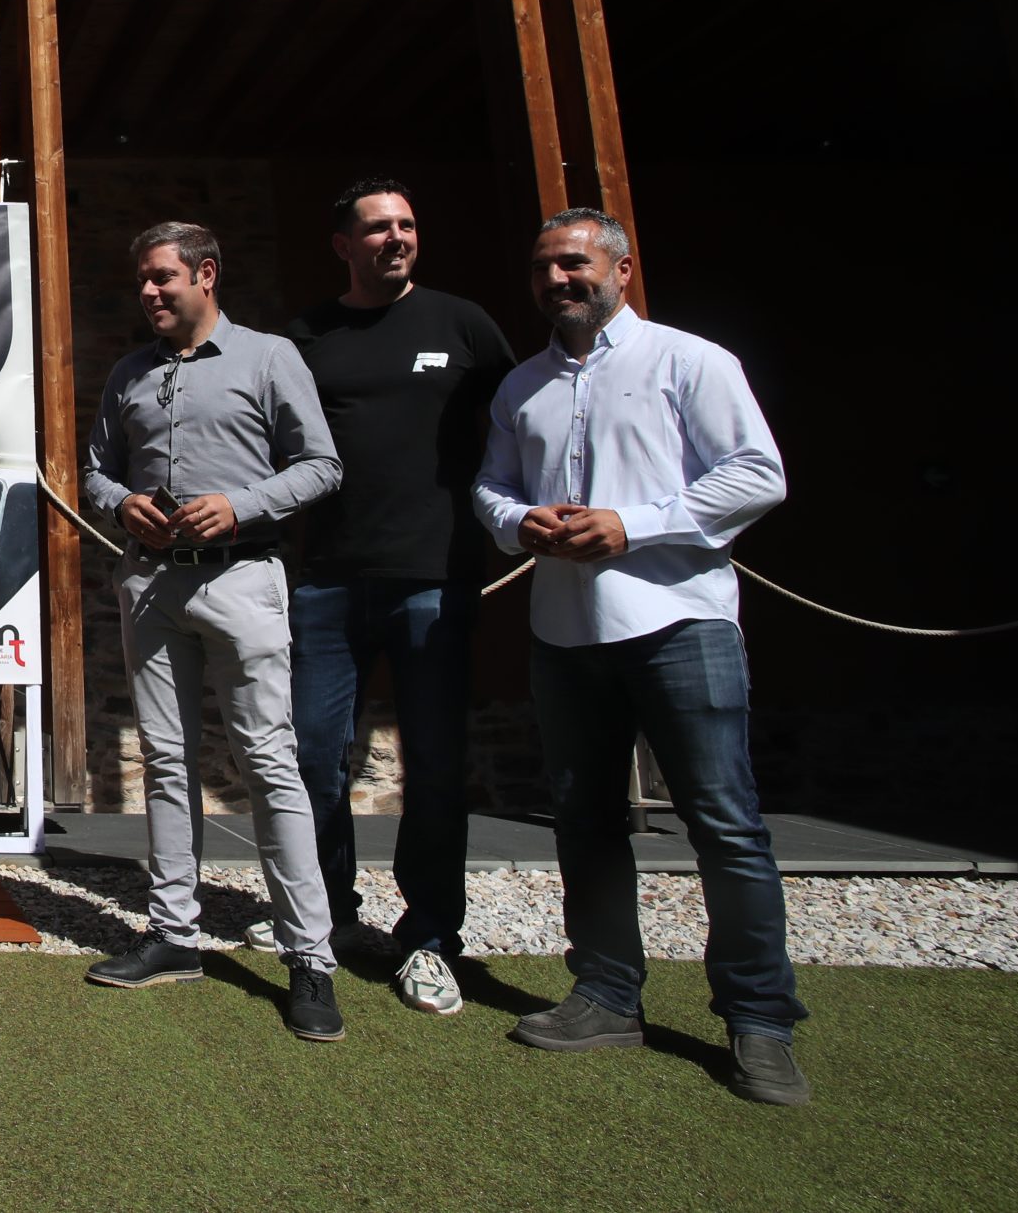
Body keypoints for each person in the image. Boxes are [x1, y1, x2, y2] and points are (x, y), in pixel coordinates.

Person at [473, 207, 808, 1105]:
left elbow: (756, 472)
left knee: (725, 824)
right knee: (585, 822)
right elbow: (492, 488)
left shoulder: (691, 362)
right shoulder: (523, 387)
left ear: (622, 269)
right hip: (566, 632)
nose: (558, 281)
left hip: (679, 623)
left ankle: (760, 1020)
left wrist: (635, 522)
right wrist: (519, 522)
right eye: (545, 267)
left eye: (576, 263)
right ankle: (607, 992)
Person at [80, 221, 347, 1042]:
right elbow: (92, 467)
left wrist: (241, 503)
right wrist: (116, 500)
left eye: (163, 279)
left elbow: (321, 465)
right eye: (142, 283)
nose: (150, 293)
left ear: (207, 274)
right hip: (152, 582)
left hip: (243, 576)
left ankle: (309, 957)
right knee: (165, 758)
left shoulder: (270, 358)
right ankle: (173, 934)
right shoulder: (129, 372)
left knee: (269, 759)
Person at [269, 179, 513, 1018]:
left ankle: (430, 938)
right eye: (377, 228)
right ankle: (331, 917)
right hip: (329, 581)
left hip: (435, 580)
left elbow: (526, 425)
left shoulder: (464, 325)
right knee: (312, 761)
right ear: (343, 243)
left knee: (436, 766)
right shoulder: (306, 336)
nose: (396, 238)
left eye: (407, 224)